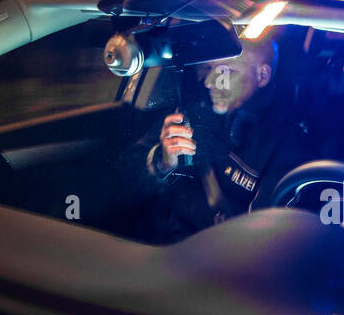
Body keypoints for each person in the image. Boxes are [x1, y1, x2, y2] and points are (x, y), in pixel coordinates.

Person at [119, 32, 311, 244]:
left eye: (226, 71)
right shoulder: (190, 109)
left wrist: (235, 233)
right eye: (209, 68)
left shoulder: (287, 145)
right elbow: (126, 174)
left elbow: (268, 240)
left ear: (262, 76)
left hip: (217, 266)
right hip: (154, 245)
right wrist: (162, 162)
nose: (210, 82)